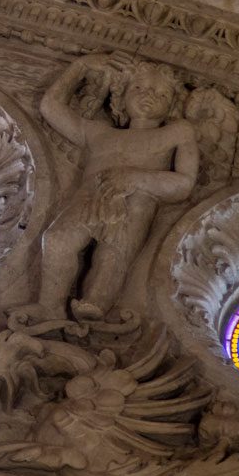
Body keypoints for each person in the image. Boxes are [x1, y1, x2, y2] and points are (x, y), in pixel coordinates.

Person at [29, 53, 198, 321]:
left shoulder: (176, 133)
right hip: (92, 194)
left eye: (161, 94)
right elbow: (51, 106)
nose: (148, 96)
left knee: (114, 253)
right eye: (139, 88)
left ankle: (96, 304)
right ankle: (50, 306)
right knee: (57, 240)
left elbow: (184, 183)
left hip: (138, 198)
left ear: (172, 105)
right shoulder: (100, 133)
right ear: (120, 94)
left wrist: (135, 179)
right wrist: (80, 66)